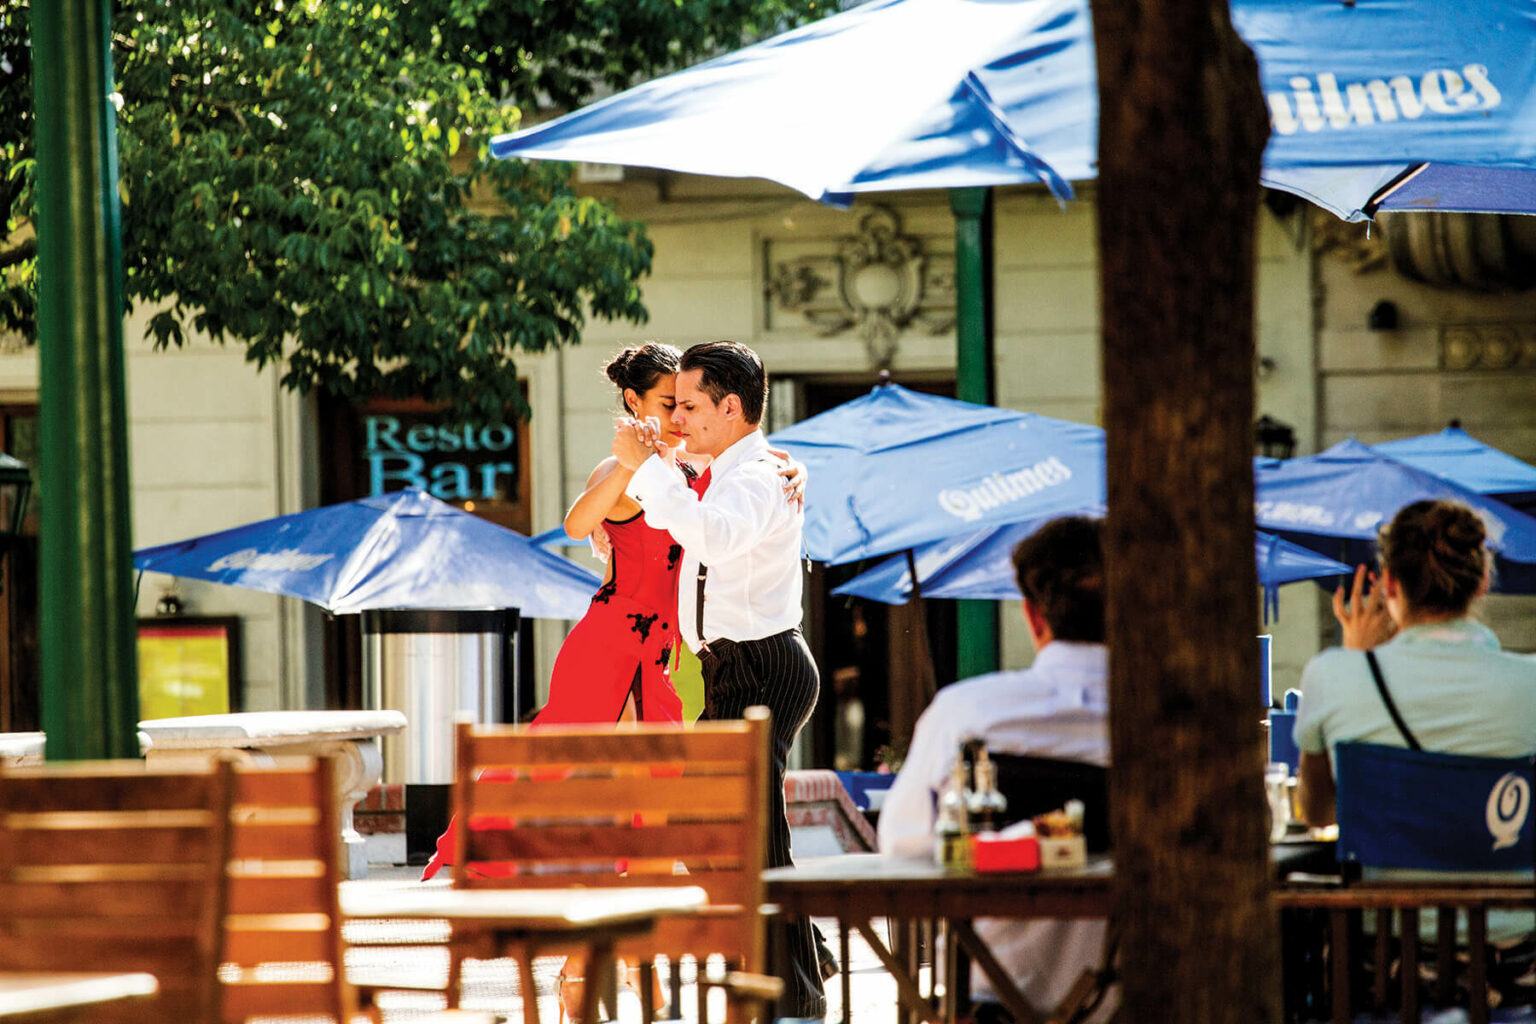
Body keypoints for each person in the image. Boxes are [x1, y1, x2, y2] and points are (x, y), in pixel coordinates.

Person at [612, 340, 826, 1022]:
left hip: (762, 666)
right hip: (736, 671)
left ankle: (795, 1000)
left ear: (732, 408)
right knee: (704, 828)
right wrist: (657, 455)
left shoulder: (758, 474)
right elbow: (691, 478)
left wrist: (648, 469)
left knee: (755, 846)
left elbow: (714, 535)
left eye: (695, 407)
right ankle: (804, 952)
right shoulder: (737, 467)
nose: (684, 420)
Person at [878, 516, 1115, 1024]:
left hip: (994, 1000)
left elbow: (902, 845)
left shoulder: (967, 714)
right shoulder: (1177, 732)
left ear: (1033, 617)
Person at [1294, 499, 1536, 828]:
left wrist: (1357, 662)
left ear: (1389, 583)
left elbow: (1318, 814)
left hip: (1383, 880)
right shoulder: (1529, 681)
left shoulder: (1331, 676)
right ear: (1482, 582)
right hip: (1505, 879)